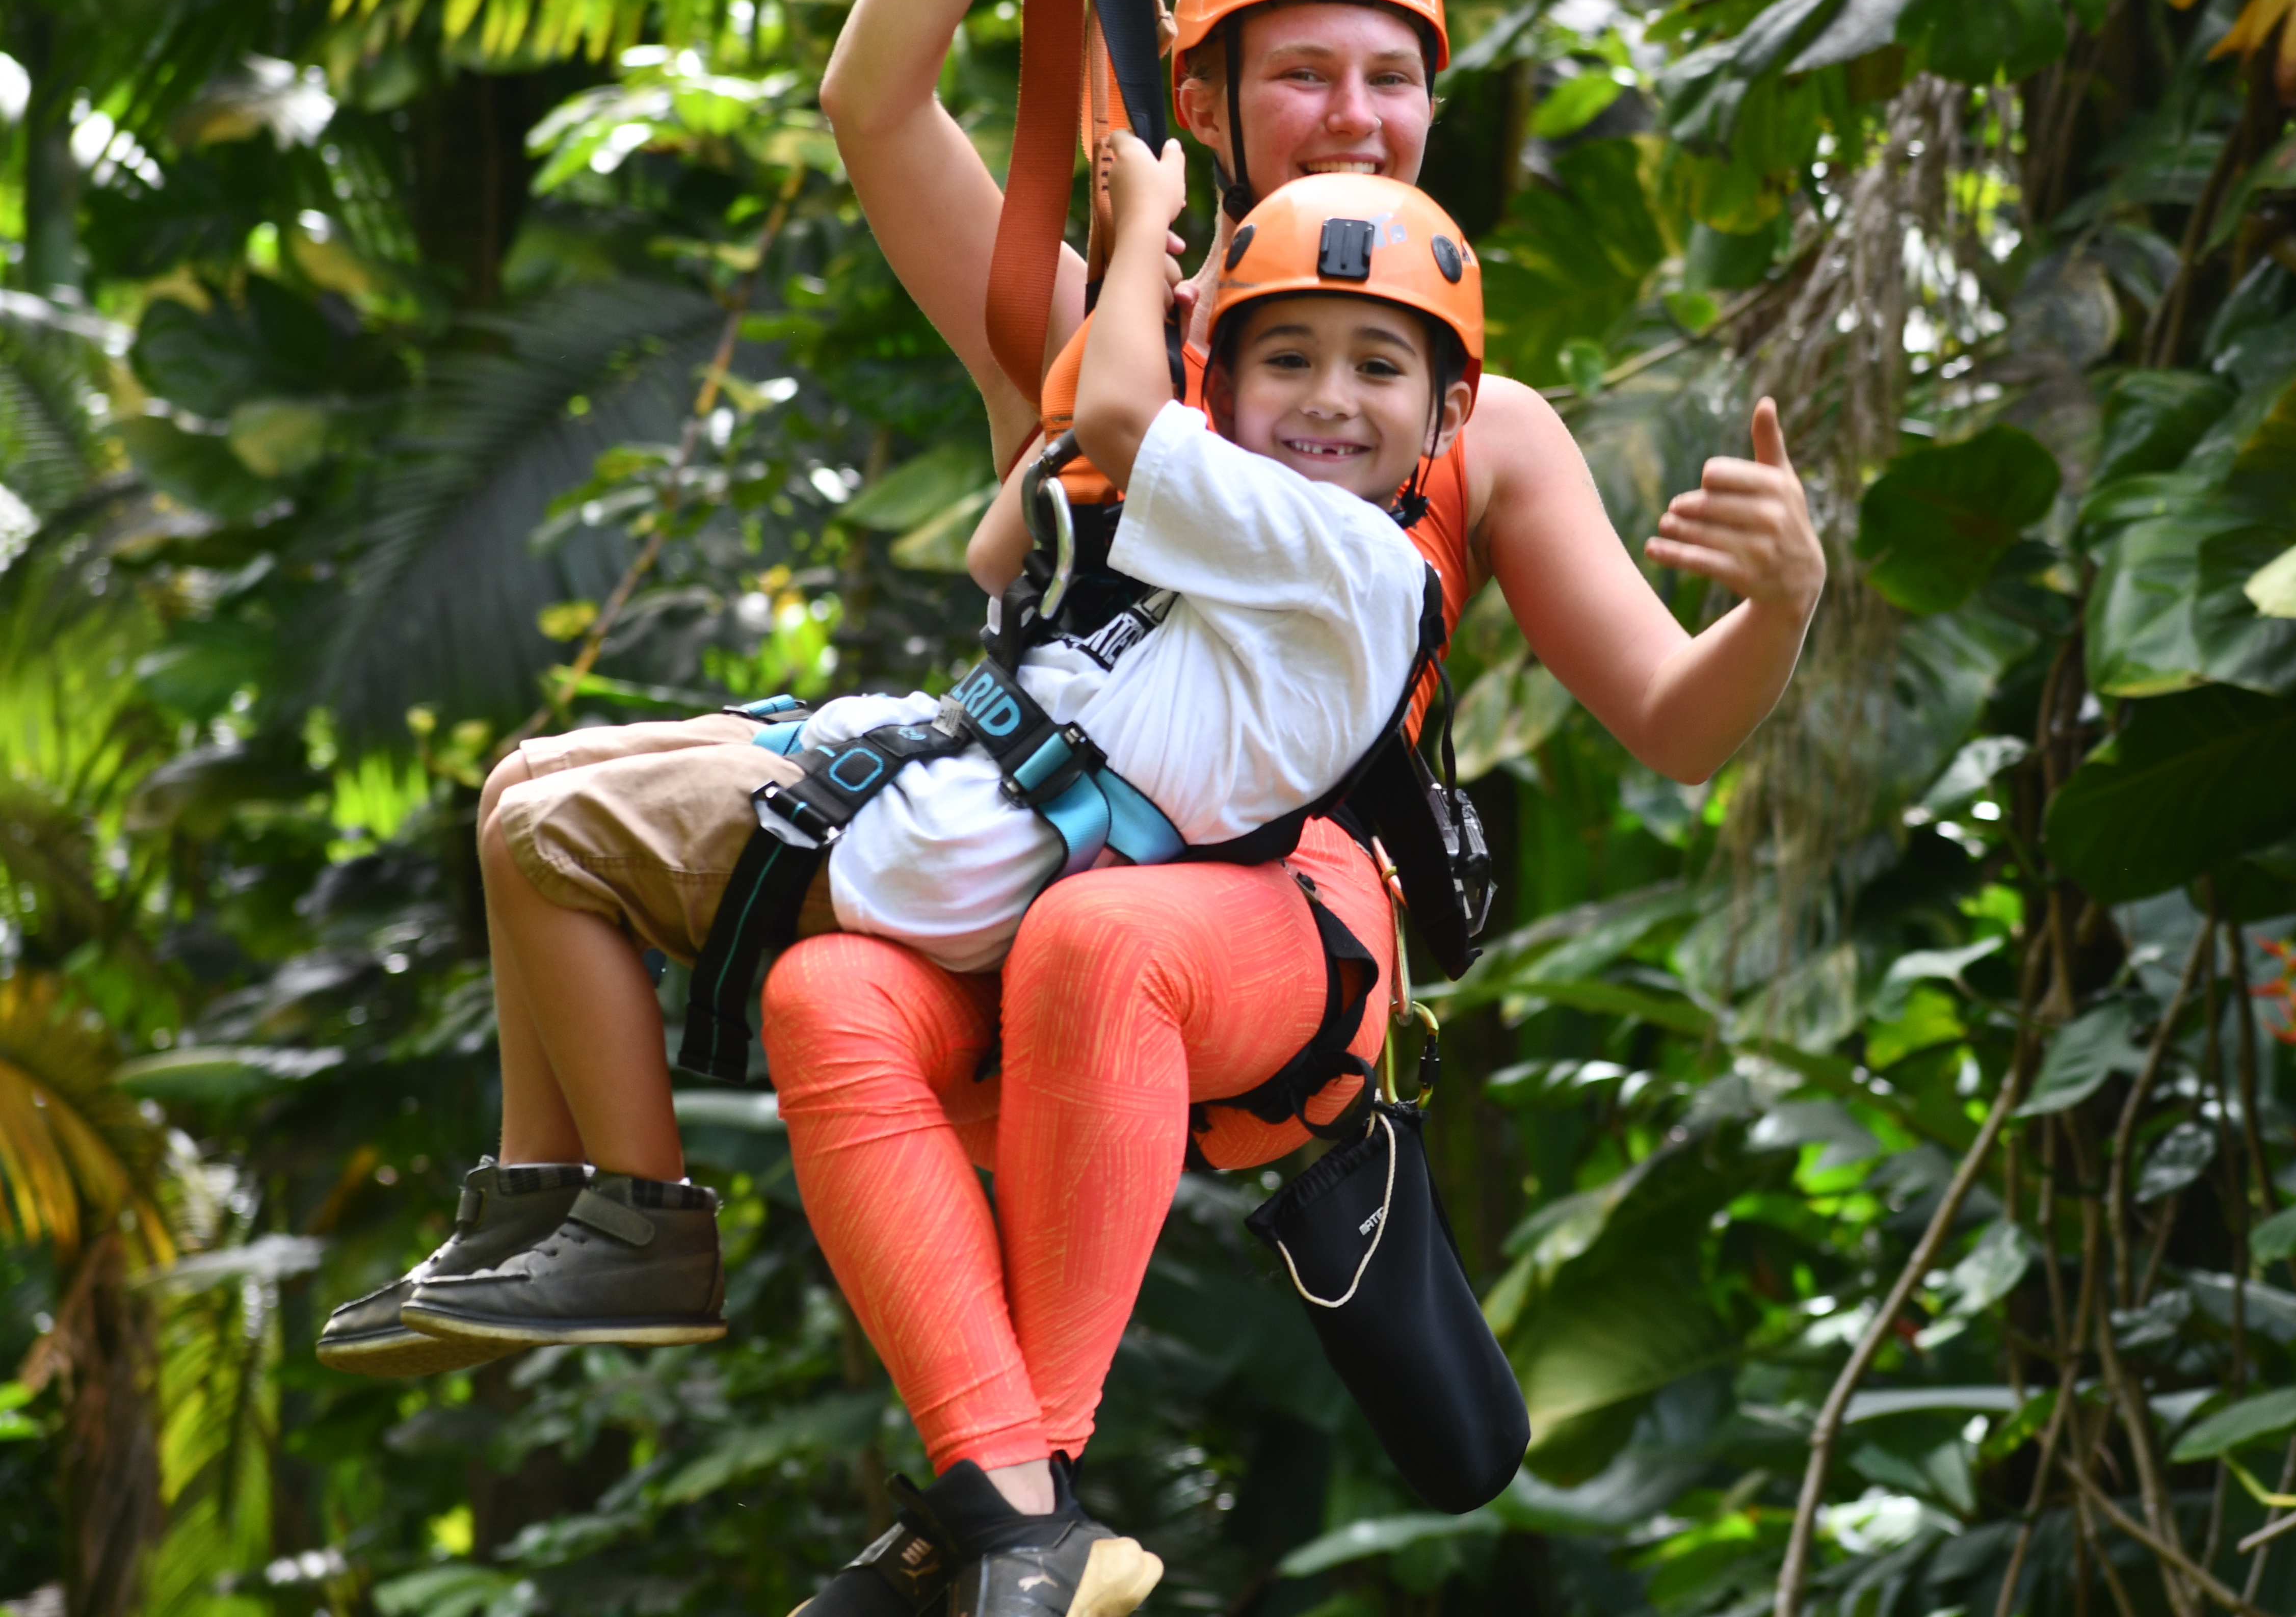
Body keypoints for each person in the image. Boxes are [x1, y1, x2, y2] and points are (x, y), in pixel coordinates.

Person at [773, 0, 1828, 1613]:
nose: (1352, 114)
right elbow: (875, 104)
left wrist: (1780, 608)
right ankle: (992, 1501)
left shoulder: (1474, 423)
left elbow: (1674, 726)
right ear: (1208, 98)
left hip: (1274, 916)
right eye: (1303, 74)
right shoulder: (1102, 334)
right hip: (1037, 860)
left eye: (1391, 80)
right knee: (831, 990)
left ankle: (1042, 1483)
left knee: (1109, 950)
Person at [314, 156, 1477, 1416]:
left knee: (548, 837)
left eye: (1377, 369)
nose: (1328, 401)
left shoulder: (1352, 559)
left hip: (973, 842)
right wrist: (1136, 323)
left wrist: (1143, 235)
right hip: (943, 761)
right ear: (1228, 379)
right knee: (521, 782)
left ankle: (642, 1220)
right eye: (1289, 360)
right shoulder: (1233, 528)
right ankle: (530, 1198)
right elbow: (1009, 537)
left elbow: (1131, 424)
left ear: (1445, 417)